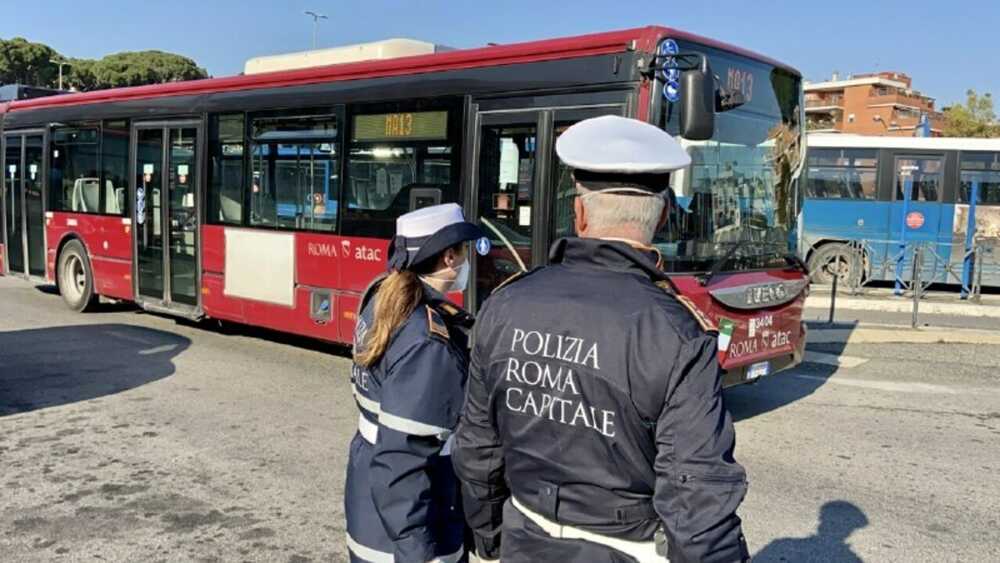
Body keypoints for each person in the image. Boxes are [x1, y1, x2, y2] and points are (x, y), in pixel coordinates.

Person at [452, 115, 750, 563]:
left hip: (523, 538)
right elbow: (696, 494)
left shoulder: (504, 304)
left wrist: (491, 534)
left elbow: (477, 445)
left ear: (580, 211)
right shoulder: (676, 332)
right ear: (664, 215)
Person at [345, 203, 483, 563]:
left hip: (371, 508)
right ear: (450, 258)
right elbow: (403, 459)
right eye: (464, 253)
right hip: (413, 524)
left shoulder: (382, 300)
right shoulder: (427, 341)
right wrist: (417, 552)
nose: (467, 262)